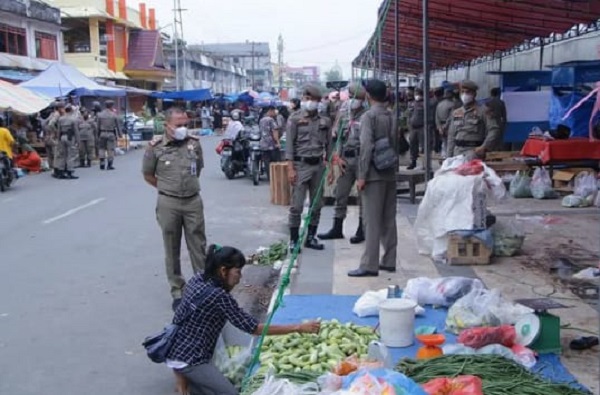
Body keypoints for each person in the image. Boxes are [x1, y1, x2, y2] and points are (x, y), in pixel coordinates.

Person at [167, 244, 320, 395]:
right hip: (191, 358)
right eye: (238, 272)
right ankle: (189, 380)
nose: (240, 278)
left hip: (176, 348)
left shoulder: (198, 278)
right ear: (223, 271)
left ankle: (187, 383)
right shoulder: (219, 297)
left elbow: (180, 319)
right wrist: (299, 328)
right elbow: (254, 328)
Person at [142, 107, 206, 312]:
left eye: (186, 124)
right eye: (179, 125)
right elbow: (148, 175)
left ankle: (202, 288)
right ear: (167, 126)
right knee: (172, 247)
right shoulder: (155, 147)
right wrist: (167, 189)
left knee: (198, 245)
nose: (183, 128)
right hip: (168, 203)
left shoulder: (194, 144)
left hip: (192, 201)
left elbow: (199, 169)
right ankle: (178, 290)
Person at [348, 79, 399, 278]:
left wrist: (361, 175)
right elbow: (394, 143)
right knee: (389, 219)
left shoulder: (369, 116)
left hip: (373, 175)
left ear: (368, 95)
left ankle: (369, 265)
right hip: (389, 172)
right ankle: (389, 260)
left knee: (371, 221)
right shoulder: (391, 114)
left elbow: (366, 147)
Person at [318, 82, 367, 244]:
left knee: (363, 197)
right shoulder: (344, 112)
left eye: (358, 98)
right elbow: (337, 135)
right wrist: (337, 157)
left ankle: (362, 230)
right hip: (345, 159)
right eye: (353, 97)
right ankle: (337, 228)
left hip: (361, 160)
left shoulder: (367, 115)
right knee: (341, 194)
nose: (355, 101)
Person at [285, 85, 332, 253]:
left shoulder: (325, 121)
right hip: (300, 165)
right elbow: (289, 146)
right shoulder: (294, 118)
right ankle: (294, 240)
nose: (309, 102)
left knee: (317, 204)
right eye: (306, 98)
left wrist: (330, 168)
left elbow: (329, 146)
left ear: (319, 101)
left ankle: (311, 237)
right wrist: (290, 169)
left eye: (313, 99)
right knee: (296, 206)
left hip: (318, 166)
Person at [446, 80, 500, 160]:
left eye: (467, 92)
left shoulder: (483, 111)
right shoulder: (457, 112)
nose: (464, 95)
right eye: (462, 92)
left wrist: (484, 147)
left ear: (474, 94)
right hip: (457, 151)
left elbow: (494, 130)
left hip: (473, 151)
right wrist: (448, 157)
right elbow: (451, 135)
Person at [54, 105, 80, 180]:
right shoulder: (73, 119)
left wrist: (58, 139)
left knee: (62, 155)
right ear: (71, 110)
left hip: (62, 137)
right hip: (70, 137)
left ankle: (61, 171)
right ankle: (69, 171)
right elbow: (76, 131)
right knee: (70, 155)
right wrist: (78, 141)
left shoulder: (61, 119)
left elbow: (58, 130)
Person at [96, 100, 122, 170]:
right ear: (111, 106)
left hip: (102, 133)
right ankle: (109, 164)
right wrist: (120, 135)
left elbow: (97, 126)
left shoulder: (100, 115)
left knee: (102, 148)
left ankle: (102, 163)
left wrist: (97, 134)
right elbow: (118, 126)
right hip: (111, 133)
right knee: (110, 149)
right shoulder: (114, 115)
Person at [435, 88, 461, 159]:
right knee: (451, 144)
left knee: (444, 143)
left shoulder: (439, 104)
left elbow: (436, 117)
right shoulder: (453, 105)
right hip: (449, 126)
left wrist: (439, 127)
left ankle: (444, 157)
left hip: (441, 126)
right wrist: (445, 126)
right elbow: (451, 117)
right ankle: (448, 158)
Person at [258, 105, 281, 180]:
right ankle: (275, 177)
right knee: (274, 161)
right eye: (274, 111)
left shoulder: (262, 120)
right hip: (271, 144)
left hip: (263, 144)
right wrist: (278, 142)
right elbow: (275, 131)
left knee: (266, 161)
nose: (275, 113)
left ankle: (269, 177)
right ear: (270, 111)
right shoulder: (271, 120)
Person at [407, 88, 425, 170]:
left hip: (421, 127)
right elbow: (409, 115)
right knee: (412, 145)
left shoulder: (424, 104)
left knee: (423, 146)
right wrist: (409, 125)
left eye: (418, 94)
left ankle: (425, 163)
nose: (416, 96)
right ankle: (413, 162)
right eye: (415, 94)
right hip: (413, 128)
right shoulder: (411, 104)